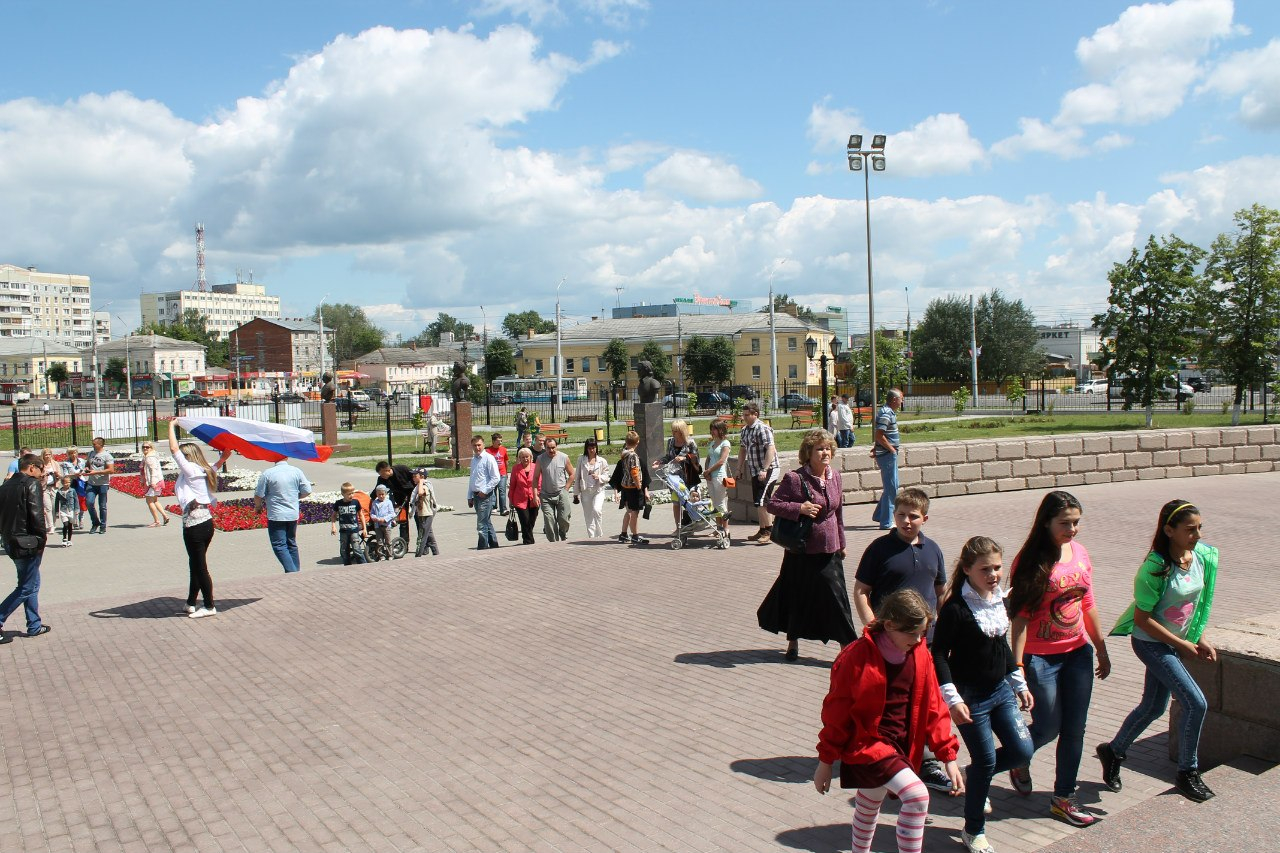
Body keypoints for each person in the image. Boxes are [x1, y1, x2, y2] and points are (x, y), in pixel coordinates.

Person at [813, 589, 962, 853]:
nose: (918, 640)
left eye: (922, 633)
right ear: (890, 625)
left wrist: (947, 755)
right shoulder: (856, 656)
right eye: (912, 633)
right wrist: (825, 762)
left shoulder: (919, 653)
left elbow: (934, 705)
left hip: (903, 744)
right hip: (869, 745)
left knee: (871, 800)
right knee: (917, 796)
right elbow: (836, 712)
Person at [1099, 499, 1218, 803]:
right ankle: (1187, 772)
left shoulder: (1201, 557)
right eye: (1190, 529)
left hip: (1175, 643)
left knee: (1152, 707)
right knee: (1196, 703)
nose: (1198, 535)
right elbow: (1143, 620)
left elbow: (1196, 606)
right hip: (1151, 643)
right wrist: (1180, 644)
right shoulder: (1154, 568)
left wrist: (1200, 637)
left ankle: (1113, 751)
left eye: (1200, 528)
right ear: (1169, 530)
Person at [1007, 490, 1110, 828]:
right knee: (1048, 726)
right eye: (1065, 523)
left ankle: (1063, 798)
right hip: (1041, 659)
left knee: (1075, 729)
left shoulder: (1080, 553)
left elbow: (1087, 603)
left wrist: (1100, 647)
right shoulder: (1030, 560)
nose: (1072, 529)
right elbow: (1020, 619)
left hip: (1078, 654)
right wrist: (1018, 667)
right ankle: (1015, 757)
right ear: (1046, 522)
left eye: (1076, 522)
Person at [932, 537, 1035, 853]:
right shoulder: (956, 608)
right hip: (971, 697)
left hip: (1001, 691)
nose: (993, 575)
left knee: (1022, 750)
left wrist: (1019, 682)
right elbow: (939, 654)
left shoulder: (998, 600)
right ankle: (973, 830)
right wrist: (953, 700)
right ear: (967, 569)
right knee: (987, 760)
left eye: (997, 567)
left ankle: (976, 775)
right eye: (985, 569)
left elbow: (1001, 645)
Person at [852, 486, 952, 793]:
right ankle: (884, 753)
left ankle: (926, 761)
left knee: (925, 701)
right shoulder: (879, 549)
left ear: (925, 519)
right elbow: (861, 591)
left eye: (913, 516)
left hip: (925, 643)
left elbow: (940, 593)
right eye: (901, 515)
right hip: (890, 643)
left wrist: (946, 630)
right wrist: (872, 625)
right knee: (890, 702)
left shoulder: (933, 550)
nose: (907, 521)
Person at [758, 429, 856, 661]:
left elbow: (838, 513)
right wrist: (799, 508)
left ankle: (847, 649)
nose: (825, 453)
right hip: (801, 549)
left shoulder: (835, 476)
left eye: (828, 448)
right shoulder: (795, 478)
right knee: (797, 595)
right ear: (809, 453)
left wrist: (842, 542)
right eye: (820, 449)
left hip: (829, 549)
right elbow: (773, 504)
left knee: (837, 600)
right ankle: (792, 642)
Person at [167, 420, 230, 618]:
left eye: (183, 457)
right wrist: (225, 453)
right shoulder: (205, 470)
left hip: (194, 525)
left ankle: (209, 606)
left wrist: (171, 425)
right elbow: (219, 463)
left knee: (199, 566)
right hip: (206, 523)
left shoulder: (191, 470)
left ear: (187, 457)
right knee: (195, 563)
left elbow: (173, 449)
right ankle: (191, 602)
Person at [0, 452, 52, 642]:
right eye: (40, 469)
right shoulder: (31, 483)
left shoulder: (5, 485)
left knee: (32, 584)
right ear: (31, 467)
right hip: (28, 542)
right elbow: (36, 514)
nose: (42, 473)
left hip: (10, 541)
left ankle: (34, 625)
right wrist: (41, 539)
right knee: (26, 587)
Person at [253, 458, 313, 573]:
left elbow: (258, 495)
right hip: (292, 513)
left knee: (279, 545)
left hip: (276, 514)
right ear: (286, 457)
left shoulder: (268, 473)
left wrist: (258, 506)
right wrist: (294, 497)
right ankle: (296, 571)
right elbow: (307, 490)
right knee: (291, 543)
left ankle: (292, 572)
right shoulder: (296, 471)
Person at [735, 401, 779, 545]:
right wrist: (739, 468)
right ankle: (762, 529)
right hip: (755, 470)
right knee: (758, 502)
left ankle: (769, 532)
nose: (744, 417)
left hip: (769, 469)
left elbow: (770, 449)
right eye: (743, 415)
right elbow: (742, 450)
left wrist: (765, 469)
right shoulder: (745, 430)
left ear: (756, 414)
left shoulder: (762, 429)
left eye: (747, 415)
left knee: (762, 501)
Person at [652, 419, 699, 534]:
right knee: (676, 502)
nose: (673, 433)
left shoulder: (690, 443)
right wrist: (660, 462)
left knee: (688, 502)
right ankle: (678, 528)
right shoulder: (670, 442)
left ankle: (690, 526)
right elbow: (668, 457)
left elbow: (696, 458)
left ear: (682, 431)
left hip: (687, 476)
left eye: (675, 431)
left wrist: (684, 458)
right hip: (674, 478)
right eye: (672, 430)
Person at [609, 430, 649, 545]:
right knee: (635, 513)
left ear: (626, 442)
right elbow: (634, 472)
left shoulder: (624, 454)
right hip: (633, 487)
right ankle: (635, 535)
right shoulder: (633, 456)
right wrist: (639, 486)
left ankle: (623, 534)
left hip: (625, 486)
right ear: (637, 442)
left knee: (629, 511)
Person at [871, 389, 903, 529]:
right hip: (887, 454)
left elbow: (880, 434)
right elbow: (879, 434)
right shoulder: (886, 413)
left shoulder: (888, 412)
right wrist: (891, 449)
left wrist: (876, 447)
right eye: (901, 398)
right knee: (892, 488)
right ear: (895, 399)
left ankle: (879, 515)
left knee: (891, 486)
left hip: (886, 453)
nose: (902, 401)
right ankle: (886, 522)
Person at [532, 437, 574, 542]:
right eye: (548, 448)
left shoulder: (564, 457)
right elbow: (535, 478)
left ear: (556, 447)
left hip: (561, 493)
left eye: (553, 447)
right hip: (546, 495)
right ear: (545, 448)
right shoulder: (540, 459)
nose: (551, 450)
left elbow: (572, 474)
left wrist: (566, 488)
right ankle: (553, 542)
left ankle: (563, 533)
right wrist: (535, 495)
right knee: (549, 520)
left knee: (564, 518)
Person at [466, 436, 501, 550]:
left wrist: (485, 491)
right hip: (476, 495)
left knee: (481, 524)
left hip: (485, 496)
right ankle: (494, 544)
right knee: (486, 522)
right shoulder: (474, 459)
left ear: (483, 445)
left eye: (479, 445)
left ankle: (482, 548)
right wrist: (469, 496)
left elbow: (496, 478)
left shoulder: (489, 458)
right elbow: (472, 479)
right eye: (475, 445)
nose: (477, 448)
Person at [702, 418, 732, 539]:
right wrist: (706, 472)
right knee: (715, 504)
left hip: (719, 476)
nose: (712, 431)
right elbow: (708, 459)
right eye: (711, 429)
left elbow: (721, 461)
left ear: (721, 430)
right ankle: (718, 528)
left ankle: (726, 529)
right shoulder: (712, 443)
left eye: (715, 429)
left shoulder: (725, 443)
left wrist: (709, 471)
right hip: (710, 476)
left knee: (720, 503)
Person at [574, 438, 609, 538]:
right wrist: (576, 494)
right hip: (586, 491)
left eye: (593, 448)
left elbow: (607, 476)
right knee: (588, 515)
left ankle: (599, 535)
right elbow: (577, 476)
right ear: (586, 449)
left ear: (596, 448)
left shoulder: (602, 461)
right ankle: (591, 536)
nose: (591, 450)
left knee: (597, 510)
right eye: (589, 448)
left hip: (598, 490)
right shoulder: (581, 460)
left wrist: (599, 477)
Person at [373, 461, 415, 544]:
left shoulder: (402, 469)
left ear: (388, 470)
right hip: (400, 499)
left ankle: (425, 542)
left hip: (414, 496)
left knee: (419, 520)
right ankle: (404, 543)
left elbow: (415, 477)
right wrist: (369, 500)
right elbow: (376, 491)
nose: (381, 476)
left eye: (382, 474)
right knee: (403, 520)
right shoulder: (382, 479)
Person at [82, 436, 115, 534]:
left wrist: (96, 472)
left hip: (103, 484)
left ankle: (103, 526)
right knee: (89, 502)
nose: (93, 445)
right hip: (91, 483)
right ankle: (95, 522)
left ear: (100, 445)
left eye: (94, 444)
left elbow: (111, 470)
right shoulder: (91, 453)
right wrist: (86, 468)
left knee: (102, 506)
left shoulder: (107, 456)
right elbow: (87, 464)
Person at [330, 482, 368, 565]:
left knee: (356, 549)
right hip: (343, 531)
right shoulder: (338, 503)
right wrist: (333, 526)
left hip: (354, 530)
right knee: (344, 550)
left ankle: (363, 565)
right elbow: (333, 516)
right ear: (343, 494)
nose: (351, 495)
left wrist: (364, 528)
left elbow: (361, 515)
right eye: (349, 494)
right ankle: (347, 566)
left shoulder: (355, 502)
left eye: (352, 493)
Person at [507, 447, 538, 545]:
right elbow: (512, 485)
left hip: (534, 499)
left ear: (531, 457)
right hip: (520, 500)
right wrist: (511, 500)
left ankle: (527, 538)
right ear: (519, 458)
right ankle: (528, 541)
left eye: (527, 457)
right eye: (523, 457)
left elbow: (539, 483)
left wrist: (538, 496)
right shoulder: (516, 468)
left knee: (531, 521)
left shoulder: (536, 467)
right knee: (525, 520)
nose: (525, 459)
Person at [410, 468, 439, 557]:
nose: (413, 478)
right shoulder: (418, 486)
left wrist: (421, 482)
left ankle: (418, 555)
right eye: (413, 476)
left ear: (422, 477)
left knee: (423, 535)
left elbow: (420, 493)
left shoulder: (425, 486)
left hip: (427, 514)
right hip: (421, 514)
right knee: (429, 534)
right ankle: (436, 553)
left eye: (415, 476)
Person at [141, 440, 168, 528]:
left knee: (149, 501)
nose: (145, 448)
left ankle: (157, 521)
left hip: (153, 482)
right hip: (157, 480)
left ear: (151, 448)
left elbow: (153, 470)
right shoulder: (149, 456)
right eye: (143, 447)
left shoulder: (149, 457)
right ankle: (165, 516)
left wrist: (152, 482)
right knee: (155, 500)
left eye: (147, 447)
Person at [59, 446, 87, 529]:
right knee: (73, 501)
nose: (73, 455)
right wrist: (74, 475)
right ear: (68, 454)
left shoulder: (81, 461)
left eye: (74, 452)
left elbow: (85, 470)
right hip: (71, 483)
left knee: (81, 501)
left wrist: (84, 471)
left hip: (81, 483)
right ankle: (75, 520)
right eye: (71, 453)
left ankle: (81, 519)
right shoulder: (66, 463)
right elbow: (65, 475)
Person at [487, 433, 510, 516]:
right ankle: (494, 506)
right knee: (493, 491)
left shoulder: (503, 449)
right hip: (492, 474)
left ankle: (503, 509)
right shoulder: (488, 451)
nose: (500, 442)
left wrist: (506, 472)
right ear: (493, 441)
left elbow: (506, 461)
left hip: (502, 473)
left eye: (501, 441)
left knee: (502, 491)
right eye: (498, 441)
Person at [369, 485, 397, 552]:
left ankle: (389, 553)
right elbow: (372, 513)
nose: (381, 496)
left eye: (382, 494)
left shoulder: (388, 502)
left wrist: (385, 519)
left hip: (386, 525)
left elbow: (392, 514)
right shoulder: (375, 503)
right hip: (378, 525)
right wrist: (374, 518)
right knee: (379, 541)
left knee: (388, 541)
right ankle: (381, 554)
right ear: (376, 494)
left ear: (385, 494)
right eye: (379, 494)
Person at [54, 476, 77, 547]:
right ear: (62, 483)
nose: (67, 484)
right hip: (63, 510)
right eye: (65, 482)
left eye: (69, 482)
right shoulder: (59, 492)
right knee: (65, 524)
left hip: (71, 510)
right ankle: (64, 539)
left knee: (70, 525)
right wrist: (57, 512)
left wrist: (77, 509)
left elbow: (76, 500)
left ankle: (69, 540)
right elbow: (56, 502)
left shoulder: (72, 491)